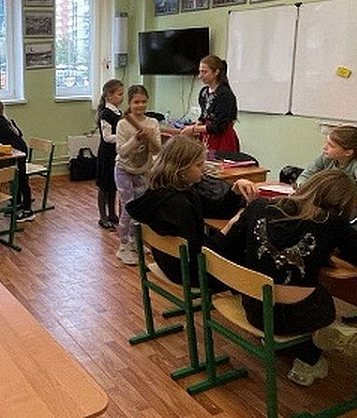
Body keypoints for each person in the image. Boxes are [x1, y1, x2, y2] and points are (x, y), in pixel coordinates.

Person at [219, 170, 357, 386]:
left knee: (292, 293)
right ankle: (310, 359)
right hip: (301, 316)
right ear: (344, 205)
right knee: (321, 294)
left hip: (255, 309)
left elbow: (229, 247)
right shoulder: (333, 223)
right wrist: (335, 249)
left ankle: (304, 339)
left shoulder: (258, 207)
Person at [126, 135, 257, 286]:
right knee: (251, 257)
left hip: (169, 262)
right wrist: (228, 228)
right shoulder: (178, 204)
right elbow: (200, 253)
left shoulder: (165, 191)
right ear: (181, 169)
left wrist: (234, 190)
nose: (204, 168)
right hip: (190, 272)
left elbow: (213, 209)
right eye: (199, 164)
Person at [113, 85, 162, 265]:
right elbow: (122, 151)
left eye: (143, 101)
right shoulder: (123, 124)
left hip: (142, 171)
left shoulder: (153, 123)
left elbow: (157, 149)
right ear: (130, 103)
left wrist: (149, 137)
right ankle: (123, 246)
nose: (140, 105)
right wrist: (136, 138)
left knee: (139, 209)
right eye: (136, 102)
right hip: (124, 170)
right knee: (128, 208)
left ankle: (135, 241)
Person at [295, 125, 357, 203]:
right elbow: (304, 176)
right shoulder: (325, 157)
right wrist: (304, 187)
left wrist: (336, 196)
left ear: (348, 152)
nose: (324, 147)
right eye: (326, 142)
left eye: (331, 145)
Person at [0, 97, 35, 221]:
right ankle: (17, 203)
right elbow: (19, 133)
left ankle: (28, 211)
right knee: (16, 177)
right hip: (20, 148)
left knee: (22, 179)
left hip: (18, 152)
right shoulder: (4, 119)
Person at [180, 55, 239, 153]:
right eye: (200, 72)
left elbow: (219, 127)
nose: (200, 76)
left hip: (222, 139)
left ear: (216, 72)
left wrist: (194, 129)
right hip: (207, 136)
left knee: (217, 161)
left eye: (204, 72)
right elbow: (204, 116)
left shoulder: (224, 94)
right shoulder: (204, 92)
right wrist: (196, 124)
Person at [95, 79, 124, 231]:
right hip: (106, 153)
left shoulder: (118, 112)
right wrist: (124, 137)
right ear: (109, 95)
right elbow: (107, 137)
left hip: (116, 153)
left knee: (113, 184)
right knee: (104, 186)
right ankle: (103, 217)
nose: (122, 97)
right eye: (119, 94)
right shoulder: (105, 114)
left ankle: (112, 213)